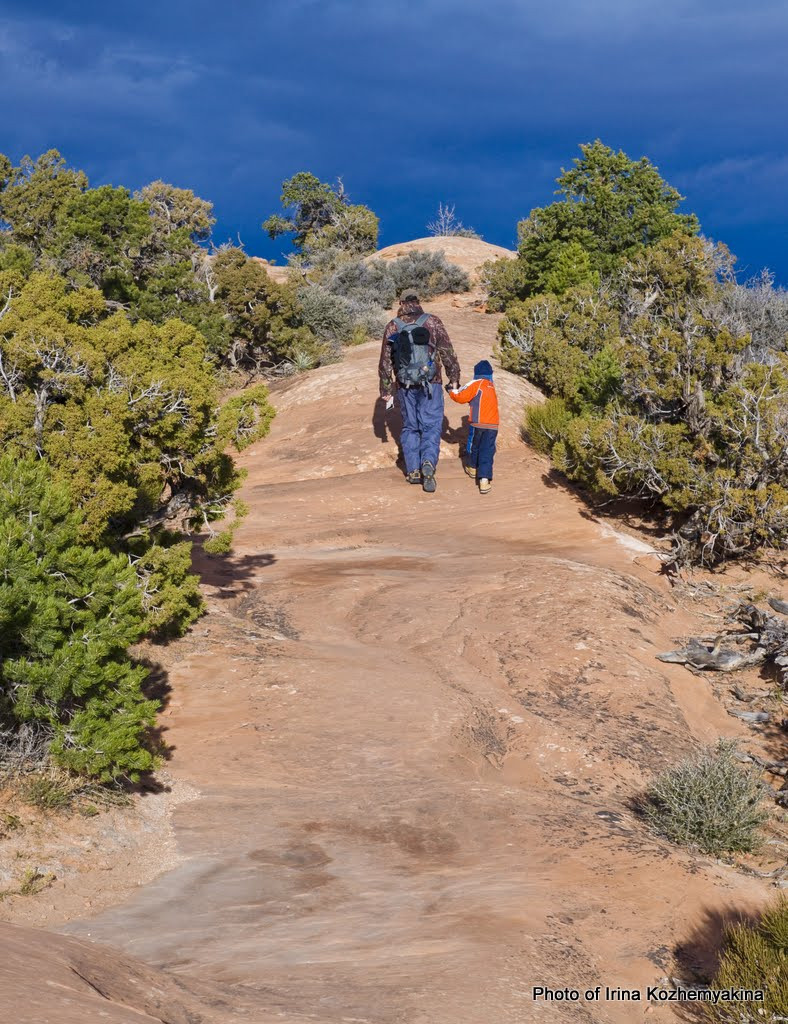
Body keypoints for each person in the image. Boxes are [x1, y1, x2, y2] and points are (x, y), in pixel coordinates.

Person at [378, 289, 460, 493]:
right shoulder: (432, 321)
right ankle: (428, 464)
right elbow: (447, 351)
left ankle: (413, 470)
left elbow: (385, 361)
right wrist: (454, 378)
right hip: (431, 382)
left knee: (410, 427)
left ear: (401, 303)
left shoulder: (392, 326)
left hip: (405, 385)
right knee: (431, 426)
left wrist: (386, 388)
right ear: (418, 301)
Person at [447, 359, 499, 494]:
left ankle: (473, 468)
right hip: (493, 425)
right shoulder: (491, 386)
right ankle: (484, 480)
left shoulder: (476, 383)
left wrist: (451, 390)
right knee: (487, 451)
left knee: (475, 446)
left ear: (476, 373)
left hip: (478, 422)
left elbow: (461, 397)